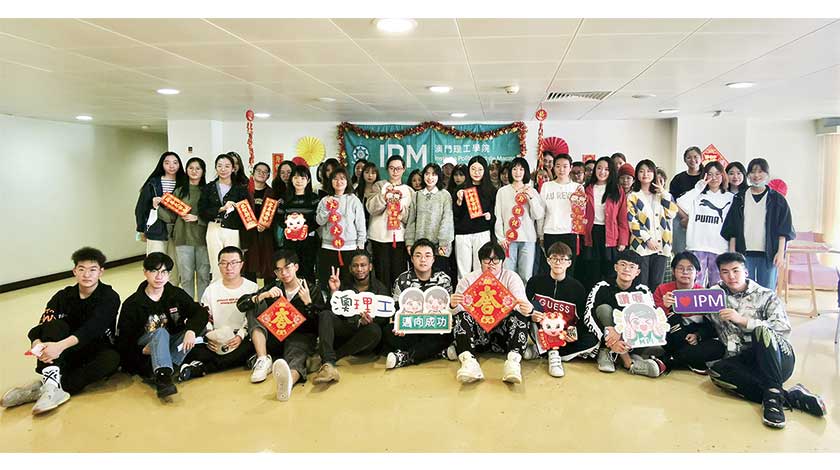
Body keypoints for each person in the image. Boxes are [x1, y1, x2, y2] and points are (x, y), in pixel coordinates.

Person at [708, 252, 826, 428]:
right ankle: (789, 396)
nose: (731, 276)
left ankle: (772, 403)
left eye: (735, 270)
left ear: (745, 271)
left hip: (777, 357)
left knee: (761, 331)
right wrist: (671, 303)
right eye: (725, 272)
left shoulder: (765, 295)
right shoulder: (713, 296)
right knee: (717, 372)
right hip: (746, 361)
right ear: (720, 275)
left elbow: (782, 327)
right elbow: (693, 312)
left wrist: (743, 320)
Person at [2, 248, 120, 414]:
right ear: (74, 271)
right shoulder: (62, 296)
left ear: (101, 272)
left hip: (93, 350)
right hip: (63, 354)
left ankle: (45, 388)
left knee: (112, 359)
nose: (87, 275)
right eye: (81, 269)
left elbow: (92, 329)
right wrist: (38, 344)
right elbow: (42, 325)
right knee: (55, 326)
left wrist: (59, 347)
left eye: (92, 270)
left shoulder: (109, 297)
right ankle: (51, 387)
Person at [236, 250, 329, 401]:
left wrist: (308, 304)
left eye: (287, 268)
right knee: (255, 305)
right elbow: (241, 305)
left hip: (300, 337)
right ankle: (262, 359)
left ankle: (288, 382)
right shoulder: (274, 286)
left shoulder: (310, 289)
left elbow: (320, 323)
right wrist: (263, 295)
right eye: (279, 270)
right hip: (275, 337)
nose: (283, 273)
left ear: (296, 267)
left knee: (297, 355)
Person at [117, 252, 208, 398]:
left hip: (171, 343)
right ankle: (163, 377)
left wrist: (191, 331)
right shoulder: (132, 304)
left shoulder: (175, 294)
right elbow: (123, 340)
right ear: (145, 272)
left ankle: (165, 368)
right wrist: (141, 350)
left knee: (199, 328)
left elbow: (200, 312)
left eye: (164, 272)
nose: (159, 277)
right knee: (160, 332)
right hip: (146, 349)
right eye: (154, 271)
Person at [451, 242, 534, 384]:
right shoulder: (468, 279)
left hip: (504, 337)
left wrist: (528, 309)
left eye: (496, 260)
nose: (491, 264)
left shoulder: (511, 277)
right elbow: (456, 311)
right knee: (462, 316)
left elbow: (522, 305)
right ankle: (468, 362)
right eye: (487, 259)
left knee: (520, 316)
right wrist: (453, 305)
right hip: (478, 337)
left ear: (502, 261)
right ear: (480, 261)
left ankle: (513, 363)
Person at [178, 246, 258, 381]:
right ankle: (242, 360)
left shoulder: (252, 288)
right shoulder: (211, 290)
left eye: (233, 263)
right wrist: (210, 336)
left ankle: (201, 368)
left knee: (252, 345)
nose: (229, 267)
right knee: (192, 348)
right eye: (224, 263)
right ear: (218, 265)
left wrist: (240, 336)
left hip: (240, 338)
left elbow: (252, 318)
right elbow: (205, 316)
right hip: (216, 337)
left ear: (241, 264)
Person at [585, 249, 665, 378]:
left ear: (637, 272)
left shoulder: (643, 291)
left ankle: (629, 355)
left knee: (655, 339)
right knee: (604, 309)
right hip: (607, 336)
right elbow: (589, 315)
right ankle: (625, 361)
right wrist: (610, 339)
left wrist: (624, 337)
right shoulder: (602, 286)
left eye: (632, 266)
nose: (627, 269)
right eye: (623, 264)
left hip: (631, 337)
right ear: (616, 267)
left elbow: (651, 318)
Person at [525, 242, 599, 378]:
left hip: (564, 334)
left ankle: (543, 352)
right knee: (532, 307)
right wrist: (530, 315)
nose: (558, 262)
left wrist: (573, 332)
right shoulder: (534, 282)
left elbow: (583, 319)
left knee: (592, 339)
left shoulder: (577, 288)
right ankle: (552, 354)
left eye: (563, 259)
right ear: (548, 261)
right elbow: (524, 307)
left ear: (569, 263)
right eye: (554, 258)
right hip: (541, 330)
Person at [720, 158, 794, 289]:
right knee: (743, 289)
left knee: (767, 290)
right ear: (748, 175)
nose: (756, 175)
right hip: (744, 253)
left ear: (767, 174)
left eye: (760, 171)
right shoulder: (740, 198)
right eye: (753, 172)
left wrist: (780, 252)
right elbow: (732, 229)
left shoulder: (777, 199)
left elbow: (784, 229)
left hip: (769, 254)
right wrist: (732, 254)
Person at [384, 239, 454, 369]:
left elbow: (448, 309)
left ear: (433, 259)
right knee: (389, 331)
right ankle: (436, 352)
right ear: (412, 259)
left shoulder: (443, 279)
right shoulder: (402, 279)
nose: (423, 260)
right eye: (418, 255)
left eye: (427, 256)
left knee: (448, 332)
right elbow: (396, 308)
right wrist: (399, 326)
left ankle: (405, 357)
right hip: (411, 328)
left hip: (433, 327)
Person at [320, 250, 388, 382]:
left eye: (363, 265)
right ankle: (328, 364)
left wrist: (369, 320)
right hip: (345, 330)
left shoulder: (380, 289)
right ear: (350, 268)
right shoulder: (343, 286)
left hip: (363, 339)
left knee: (375, 330)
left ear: (370, 267)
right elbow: (329, 312)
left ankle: (332, 357)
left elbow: (384, 320)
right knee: (325, 315)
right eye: (355, 266)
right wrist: (334, 292)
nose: (359, 269)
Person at [652, 252, 725, 373]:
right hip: (672, 336)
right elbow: (654, 321)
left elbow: (711, 326)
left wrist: (698, 335)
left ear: (698, 272)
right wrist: (665, 307)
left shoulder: (704, 294)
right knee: (672, 315)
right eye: (680, 268)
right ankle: (693, 360)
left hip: (695, 337)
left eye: (690, 269)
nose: (685, 272)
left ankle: (670, 360)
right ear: (673, 271)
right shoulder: (662, 290)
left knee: (719, 348)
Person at [157, 156, 210, 301]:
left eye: (198, 168)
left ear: (203, 171)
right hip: (182, 238)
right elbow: (170, 217)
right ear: (186, 170)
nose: (194, 171)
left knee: (204, 276)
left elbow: (213, 215)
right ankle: (188, 307)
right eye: (191, 168)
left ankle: (203, 307)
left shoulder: (208, 191)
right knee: (186, 277)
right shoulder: (179, 191)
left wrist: (197, 218)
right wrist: (158, 206)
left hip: (203, 239)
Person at [676, 161, 734, 287]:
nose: (714, 178)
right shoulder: (697, 196)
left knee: (718, 286)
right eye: (710, 174)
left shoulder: (730, 198)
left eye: (717, 174)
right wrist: (698, 188)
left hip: (719, 247)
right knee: (695, 285)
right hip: (697, 246)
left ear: (723, 176)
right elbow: (680, 203)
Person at [134, 151, 187, 283]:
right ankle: (155, 290)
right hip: (156, 229)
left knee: (174, 265)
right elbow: (141, 208)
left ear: (179, 165)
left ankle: (172, 290)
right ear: (162, 165)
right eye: (167, 163)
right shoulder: (152, 183)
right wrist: (141, 229)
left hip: (177, 230)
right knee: (155, 263)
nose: (171, 166)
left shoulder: (184, 183)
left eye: (175, 163)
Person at [627, 159, 678, 292]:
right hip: (641, 246)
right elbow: (632, 222)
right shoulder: (632, 196)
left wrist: (663, 193)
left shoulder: (662, 195)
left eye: (649, 171)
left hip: (662, 245)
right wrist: (648, 239)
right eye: (641, 171)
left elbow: (672, 213)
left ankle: (655, 306)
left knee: (656, 285)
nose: (645, 174)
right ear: (637, 174)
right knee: (641, 284)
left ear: (654, 173)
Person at [198, 154, 250, 282]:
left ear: (233, 168)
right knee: (216, 263)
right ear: (216, 168)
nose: (223, 169)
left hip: (233, 228)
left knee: (233, 263)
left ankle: (233, 291)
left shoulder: (240, 189)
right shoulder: (209, 187)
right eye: (219, 166)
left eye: (227, 166)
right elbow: (202, 211)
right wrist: (221, 208)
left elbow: (246, 213)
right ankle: (217, 291)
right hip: (213, 227)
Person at [316, 167, 367, 293]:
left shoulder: (354, 200)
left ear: (347, 181)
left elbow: (360, 223)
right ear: (331, 181)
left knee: (348, 282)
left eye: (342, 178)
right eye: (335, 179)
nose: (339, 182)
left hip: (350, 247)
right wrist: (327, 208)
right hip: (329, 247)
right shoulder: (325, 200)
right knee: (328, 281)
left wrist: (361, 244)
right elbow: (319, 222)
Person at [581, 156, 629, 290]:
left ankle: (608, 299)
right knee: (591, 272)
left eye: (606, 169)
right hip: (591, 234)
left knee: (610, 272)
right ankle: (592, 300)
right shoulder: (586, 188)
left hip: (610, 235)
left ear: (611, 171)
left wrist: (623, 241)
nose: (602, 172)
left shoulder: (617, 190)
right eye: (599, 168)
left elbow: (622, 218)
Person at [366, 155, 414, 289]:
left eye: (398, 168)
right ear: (387, 169)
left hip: (400, 239)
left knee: (399, 273)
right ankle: (382, 298)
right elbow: (371, 209)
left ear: (403, 169)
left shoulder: (409, 190)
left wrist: (401, 212)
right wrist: (384, 196)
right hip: (380, 238)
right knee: (381, 274)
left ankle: (398, 299)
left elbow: (412, 218)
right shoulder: (379, 185)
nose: (395, 171)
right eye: (392, 168)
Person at [494, 157, 544, 282]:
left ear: (525, 172)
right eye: (515, 169)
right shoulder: (502, 192)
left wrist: (531, 198)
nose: (518, 172)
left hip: (528, 239)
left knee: (526, 275)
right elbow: (498, 216)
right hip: (508, 240)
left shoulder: (532, 191)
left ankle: (524, 295)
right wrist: (501, 238)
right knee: (507, 275)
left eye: (521, 169)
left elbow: (538, 215)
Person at [537, 153, 585, 273]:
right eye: (558, 166)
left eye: (565, 166)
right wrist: (540, 235)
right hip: (550, 232)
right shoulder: (546, 186)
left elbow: (580, 214)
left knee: (568, 269)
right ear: (553, 167)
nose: (561, 169)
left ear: (570, 167)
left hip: (569, 233)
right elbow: (541, 213)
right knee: (550, 269)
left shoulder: (577, 187)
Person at [405, 163, 454, 274]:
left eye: (434, 174)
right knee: (419, 276)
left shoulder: (445, 195)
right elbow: (411, 221)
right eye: (427, 174)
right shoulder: (417, 195)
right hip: (420, 246)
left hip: (439, 247)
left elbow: (447, 220)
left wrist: (443, 243)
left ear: (439, 176)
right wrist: (409, 242)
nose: (430, 177)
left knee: (439, 276)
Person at [453, 156, 496, 279]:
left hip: (482, 232)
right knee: (463, 271)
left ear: (485, 171)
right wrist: (459, 201)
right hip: (463, 234)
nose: (476, 173)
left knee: (481, 269)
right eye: (473, 169)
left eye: (480, 169)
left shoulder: (491, 190)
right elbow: (455, 214)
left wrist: (490, 216)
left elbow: (495, 213)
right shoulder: (460, 189)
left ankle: (480, 291)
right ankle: (463, 291)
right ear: (469, 170)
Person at [276, 165, 320, 285]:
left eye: (302, 178)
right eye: (295, 177)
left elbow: (318, 220)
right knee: (291, 268)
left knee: (308, 269)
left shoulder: (314, 199)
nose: (299, 181)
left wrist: (303, 230)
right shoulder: (285, 198)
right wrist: (291, 228)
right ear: (291, 179)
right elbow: (279, 218)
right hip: (290, 241)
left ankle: (308, 294)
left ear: (308, 180)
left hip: (309, 240)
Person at [242, 162, 275, 283]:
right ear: (253, 173)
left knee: (268, 267)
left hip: (266, 235)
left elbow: (276, 215)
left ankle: (269, 293)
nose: (262, 173)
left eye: (265, 172)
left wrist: (267, 225)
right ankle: (251, 294)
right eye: (259, 171)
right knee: (249, 267)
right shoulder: (244, 191)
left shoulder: (272, 193)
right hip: (248, 235)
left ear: (268, 176)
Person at [670, 147, 704, 254]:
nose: (692, 160)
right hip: (680, 217)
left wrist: (693, 220)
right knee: (681, 252)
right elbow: (672, 201)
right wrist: (685, 217)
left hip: (701, 219)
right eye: (689, 157)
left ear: (701, 158)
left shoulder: (705, 178)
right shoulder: (678, 179)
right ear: (684, 160)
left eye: (695, 157)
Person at [354, 160, 380, 229]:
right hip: (359, 225)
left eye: (373, 173)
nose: (370, 175)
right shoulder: (356, 190)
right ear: (363, 174)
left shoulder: (380, 190)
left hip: (375, 226)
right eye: (367, 172)